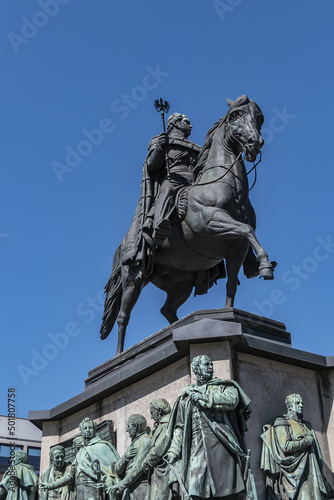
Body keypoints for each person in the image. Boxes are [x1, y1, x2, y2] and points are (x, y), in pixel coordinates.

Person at [166, 355, 256, 500]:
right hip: (197, 447)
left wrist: (205, 398)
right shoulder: (186, 398)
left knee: (227, 491)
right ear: (196, 369)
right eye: (206, 365)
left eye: (211, 365)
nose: (210, 367)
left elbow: (232, 400)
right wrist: (173, 451)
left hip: (221, 442)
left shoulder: (223, 387)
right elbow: (180, 427)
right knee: (196, 490)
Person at [121, 112, 201, 273]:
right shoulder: (159, 140)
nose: (190, 125)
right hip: (173, 180)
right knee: (168, 188)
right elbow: (152, 166)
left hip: (195, 184)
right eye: (186, 121)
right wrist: (160, 148)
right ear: (175, 123)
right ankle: (157, 225)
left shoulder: (198, 148)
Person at [261, 393, 334, 500]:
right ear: (289, 406)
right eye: (297, 403)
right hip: (294, 475)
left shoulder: (307, 425)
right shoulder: (282, 422)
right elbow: (285, 446)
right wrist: (304, 442)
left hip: (312, 472)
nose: (301, 405)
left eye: (301, 403)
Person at [74, 417, 120, 500]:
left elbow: (115, 472)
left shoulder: (102, 446)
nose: (88, 430)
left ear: (95, 430)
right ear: (82, 431)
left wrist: (106, 483)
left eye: (90, 428)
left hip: (94, 490)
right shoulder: (80, 451)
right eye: (85, 428)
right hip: (80, 491)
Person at [109, 414, 151, 500]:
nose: (127, 430)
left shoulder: (145, 441)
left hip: (140, 488)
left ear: (135, 426)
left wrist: (121, 485)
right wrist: (125, 457)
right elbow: (117, 469)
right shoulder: (132, 445)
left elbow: (139, 467)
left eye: (128, 426)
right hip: (129, 488)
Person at [142, 399, 172, 500]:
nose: (151, 417)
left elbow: (159, 448)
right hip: (158, 473)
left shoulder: (167, 424)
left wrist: (146, 461)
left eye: (152, 412)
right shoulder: (160, 426)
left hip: (164, 472)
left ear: (159, 411)